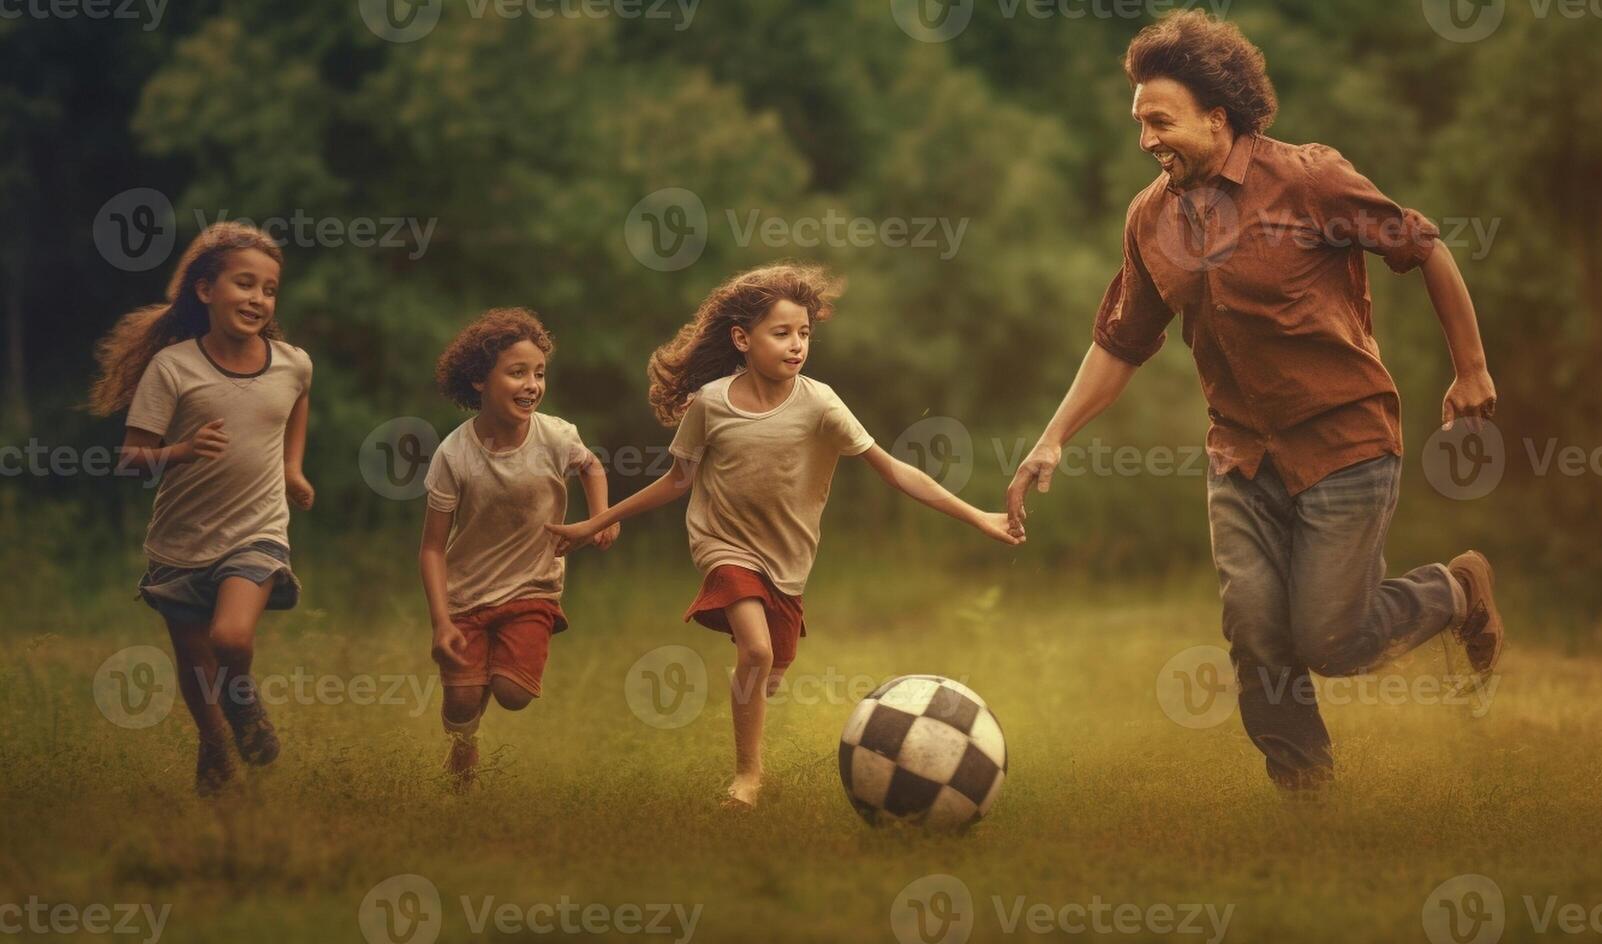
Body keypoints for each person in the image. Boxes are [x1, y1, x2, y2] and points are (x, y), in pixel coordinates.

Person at [1005, 12, 1504, 792]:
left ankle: (1455, 590)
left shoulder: (1307, 179)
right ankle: (1303, 797)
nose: (1146, 140)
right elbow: (1120, 341)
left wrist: (1469, 368)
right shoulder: (1150, 218)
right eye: (1138, 124)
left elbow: (1423, 245)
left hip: (1343, 442)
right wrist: (1051, 437)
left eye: (1160, 121)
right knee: (1254, 633)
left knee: (1330, 639)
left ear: (1218, 115)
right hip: (1239, 455)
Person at [545, 263, 1022, 808]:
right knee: (755, 649)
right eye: (782, 334)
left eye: (804, 334)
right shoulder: (711, 403)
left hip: (789, 558)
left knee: (768, 670)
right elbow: (678, 480)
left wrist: (980, 516)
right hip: (723, 544)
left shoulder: (820, 403)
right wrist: (596, 522)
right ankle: (748, 776)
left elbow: (894, 470)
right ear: (742, 339)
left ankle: (752, 688)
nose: (797, 346)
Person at [90, 221, 314, 796]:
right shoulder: (173, 369)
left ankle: (243, 707)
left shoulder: (292, 363)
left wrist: (292, 469)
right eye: (244, 284)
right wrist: (182, 451)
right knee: (195, 664)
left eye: (268, 289)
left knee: (231, 640)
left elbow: (297, 402)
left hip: (256, 532)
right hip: (180, 543)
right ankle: (215, 747)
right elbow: (131, 458)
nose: (258, 299)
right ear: (205, 289)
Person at [419, 308, 617, 788]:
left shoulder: (556, 436)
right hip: (467, 594)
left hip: (534, 587)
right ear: (478, 382)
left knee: (512, 692)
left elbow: (591, 467)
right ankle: (464, 747)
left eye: (539, 373)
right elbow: (432, 548)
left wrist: (598, 518)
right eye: (517, 372)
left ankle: (490, 680)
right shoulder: (454, 454)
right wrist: (442, 621)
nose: (532, 384)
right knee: (462, 703)